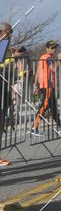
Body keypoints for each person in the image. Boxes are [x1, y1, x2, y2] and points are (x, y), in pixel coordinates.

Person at [33, 40, 61, 135]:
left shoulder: (42, 58)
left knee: (53, 107)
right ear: (47, 48)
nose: (54, 49)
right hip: (47, 86)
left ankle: (60, 126)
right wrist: (59, 59)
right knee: (44, 106)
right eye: (52, 48)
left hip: (46, 85)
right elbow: (54, 69)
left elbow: (37, 73)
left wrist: (36, 85)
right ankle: (34, 127)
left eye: (55, 47)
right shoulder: (48, 58)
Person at [0, 22, 12, 166]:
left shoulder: (7, 47)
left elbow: (11, 65)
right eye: (8, 32)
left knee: (1, 120)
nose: (9, 35)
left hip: (4, 85)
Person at [11, 46, 32, 127]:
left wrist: (26, 73)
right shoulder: (13, 58)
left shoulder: (24, 59)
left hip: (19, 81)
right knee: (13, 99)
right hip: (13, 80)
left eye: (22, 51)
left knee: (16, 99)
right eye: (19, 51)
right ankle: (13, 117)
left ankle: (15, 118)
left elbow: (26, 71)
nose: (20, 53)